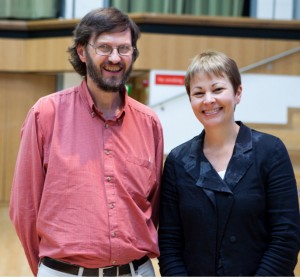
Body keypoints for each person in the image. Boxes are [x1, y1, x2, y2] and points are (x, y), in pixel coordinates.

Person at [9, 7, 164, 277]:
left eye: (124, 49)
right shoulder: (45, 114)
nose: (115, 58)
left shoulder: (149, 123)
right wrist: (50, 271)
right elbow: (25, 208)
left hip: (136, 271)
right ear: (82, 51)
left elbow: (156, 206)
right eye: (104, 47)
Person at [158, 50, 300, 276]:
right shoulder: (178, 160)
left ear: (237, 93)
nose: (208, 100)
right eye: (198, 92)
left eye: (217, 89)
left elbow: (286, 236)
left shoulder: (270, 150)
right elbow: (169, 244)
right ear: (191, 100)